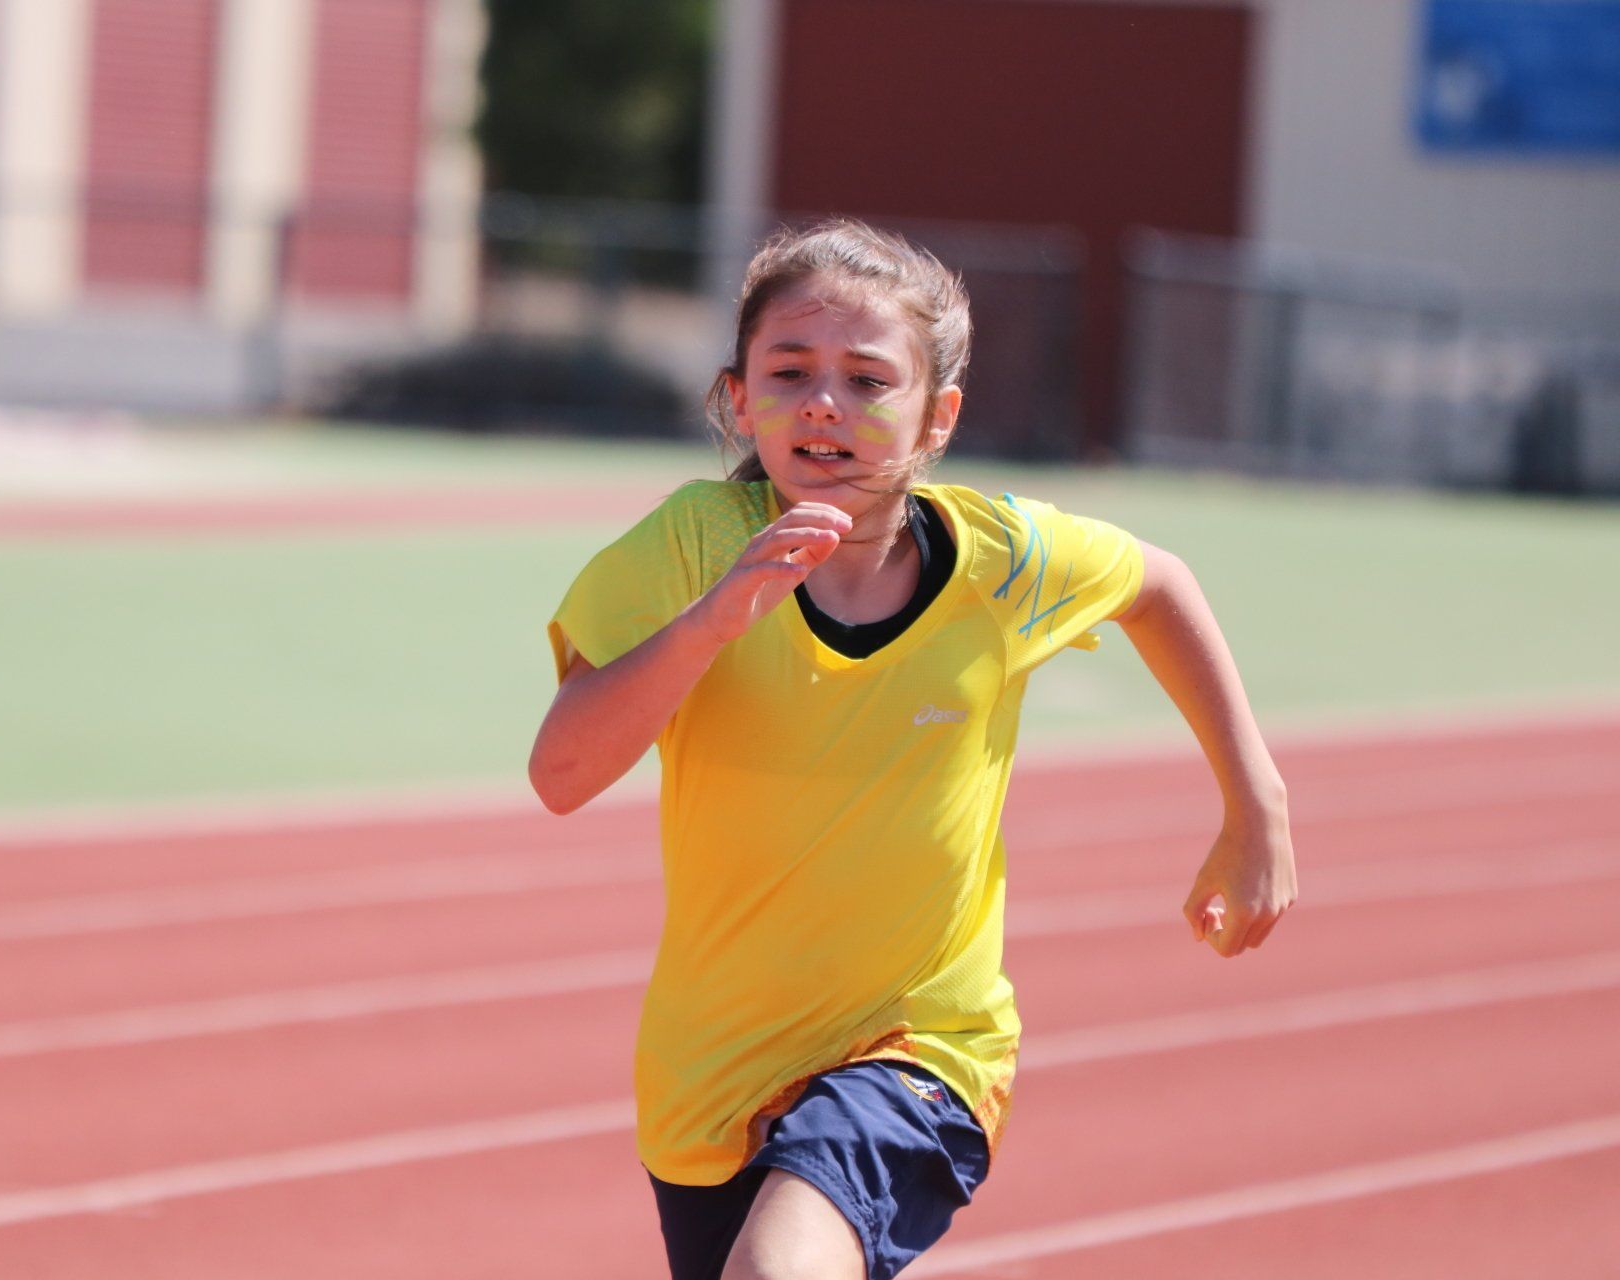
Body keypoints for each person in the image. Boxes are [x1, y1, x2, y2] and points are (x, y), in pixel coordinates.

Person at [528, 218, 1298, 1280]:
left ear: (937, 416)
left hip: (924, 1045)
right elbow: (561, 775)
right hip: (713, 1072)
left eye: (867, 379)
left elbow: (1156, 584)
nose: (824, 403)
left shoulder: (1004, 565)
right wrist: (711, 623)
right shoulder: (691, 547)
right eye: (789, 372)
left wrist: (1256, 803)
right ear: (739, 400)